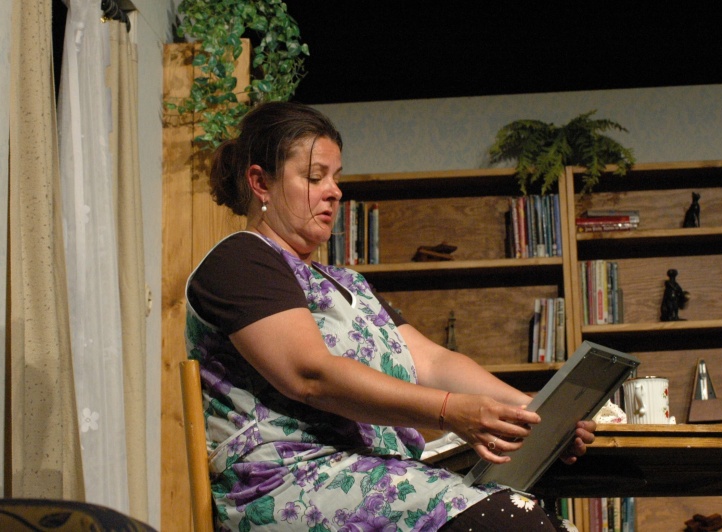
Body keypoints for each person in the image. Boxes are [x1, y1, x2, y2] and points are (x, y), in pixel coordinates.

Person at [185, 101, 596, 531]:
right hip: (291, 481)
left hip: (369, 471)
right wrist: (450, 411)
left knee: (545, 520)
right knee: (507, 520)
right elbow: (311, 374)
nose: (334, 191)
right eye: (314, 177)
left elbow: (433, 362)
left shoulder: (348, 282)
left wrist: (531, 412)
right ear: (260, 183)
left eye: (336, 177)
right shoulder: (241, 261)